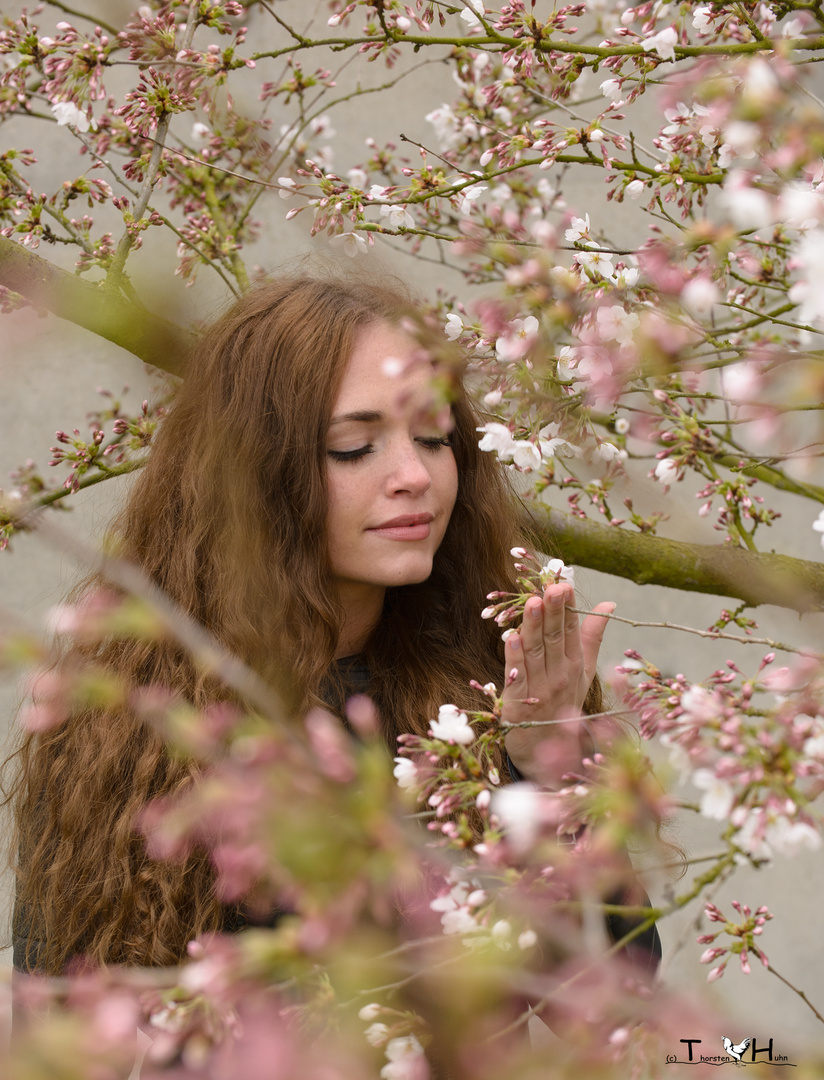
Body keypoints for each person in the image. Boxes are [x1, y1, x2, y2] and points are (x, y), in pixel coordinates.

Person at [4, 271, 658, 976]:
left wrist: (550, 762)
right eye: (354, 446)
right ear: (259, 473)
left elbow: (616, 993)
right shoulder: (138, 713)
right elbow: (67, 1024)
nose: (413, 474)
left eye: (434, 438)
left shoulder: (499, 670)